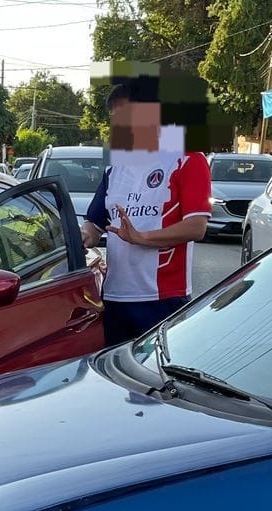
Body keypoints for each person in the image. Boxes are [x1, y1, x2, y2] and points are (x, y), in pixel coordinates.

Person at [80, 81, 212, 347]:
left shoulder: (188, 159)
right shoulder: (115, 168)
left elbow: (196, 227)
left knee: (156, 371)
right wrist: (79, 237)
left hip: (162, 299)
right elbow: (94, 225)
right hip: (115, 296)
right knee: (113, 371)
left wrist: (141, 238)